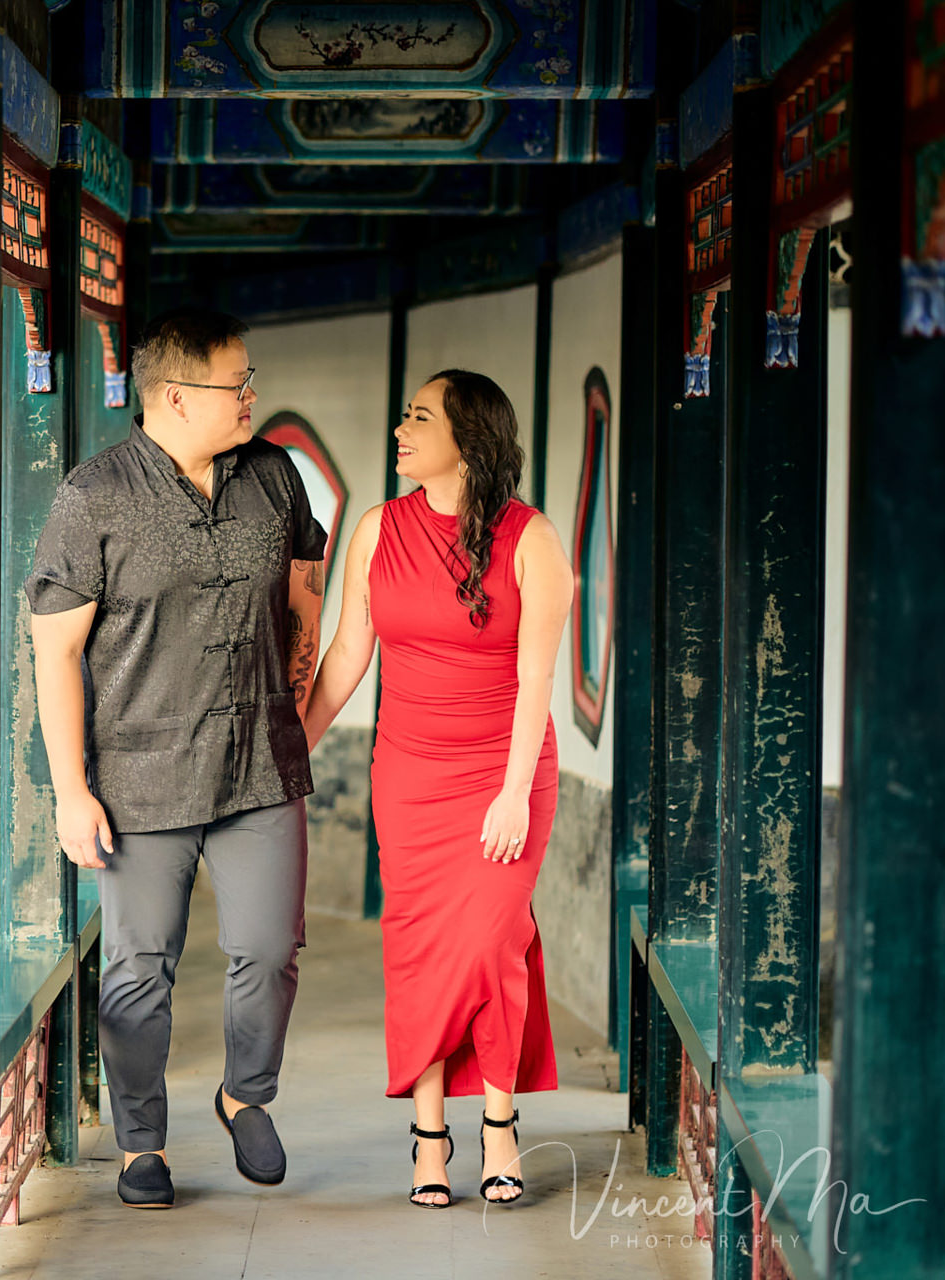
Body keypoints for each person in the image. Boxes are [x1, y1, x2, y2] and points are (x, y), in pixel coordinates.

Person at [24, 308, 330, 1210]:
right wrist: (70, 790)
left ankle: (245, 1094)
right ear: (171, 396)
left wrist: (295, 710)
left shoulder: (273, 476)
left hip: (259, 764)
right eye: (235, 385)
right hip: (140, 775)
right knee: (137, 969)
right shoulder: (96, 496)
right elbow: (56, 651)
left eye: (249, 381)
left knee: (271, 949)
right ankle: (140, 1144)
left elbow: (304, 599)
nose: (250, 397)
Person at [303, 369, 570, 1208]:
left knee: (493, 941)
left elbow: (538, 683)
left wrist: (513, 790)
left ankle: (497, 1124)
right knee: (417, 951)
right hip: (409, 774)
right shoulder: (379, 529)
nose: (399, 428)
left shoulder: (533, 539)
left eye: (419, 416)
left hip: (506, 769)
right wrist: (291, 747)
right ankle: (427, 1135)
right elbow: (348, 654)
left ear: (469, 437)